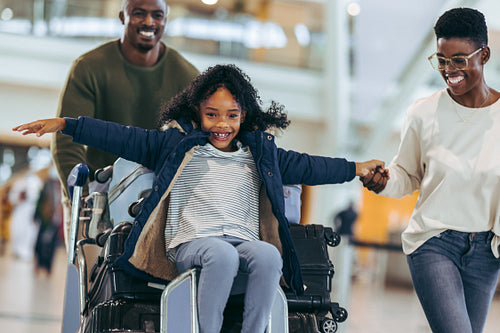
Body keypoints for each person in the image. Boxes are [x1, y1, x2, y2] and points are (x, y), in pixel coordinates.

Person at [14, 64, 386, 333]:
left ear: (245, 115)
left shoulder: (261, 153)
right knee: (220, 254)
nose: (221, 124)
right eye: (212, 115)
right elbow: (121, 136)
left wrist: (356, 167)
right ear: (198, 113)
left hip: (241, 240)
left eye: (231, 116)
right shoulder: (174, 144)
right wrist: (68, 125)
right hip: (190, 243)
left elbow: (311, 167)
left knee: (269, 254)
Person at [362, 8, 500, 333]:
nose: (449, 70)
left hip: (486, 252)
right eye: (441, 59)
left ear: (485, 54)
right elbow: (407, 175)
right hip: (435, 242)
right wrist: (383, 183)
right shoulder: (424, 113)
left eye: (459, 60)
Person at [51, 0, 199, 249]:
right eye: (139, 14)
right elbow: (66, 140)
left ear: (165, 20)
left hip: (156, 191)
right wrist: (82, 196)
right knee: (87, 274)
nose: (149, 22)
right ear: (122, 17)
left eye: (157, 15)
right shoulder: (88, 67)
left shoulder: (187, 77)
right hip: (97, 188)